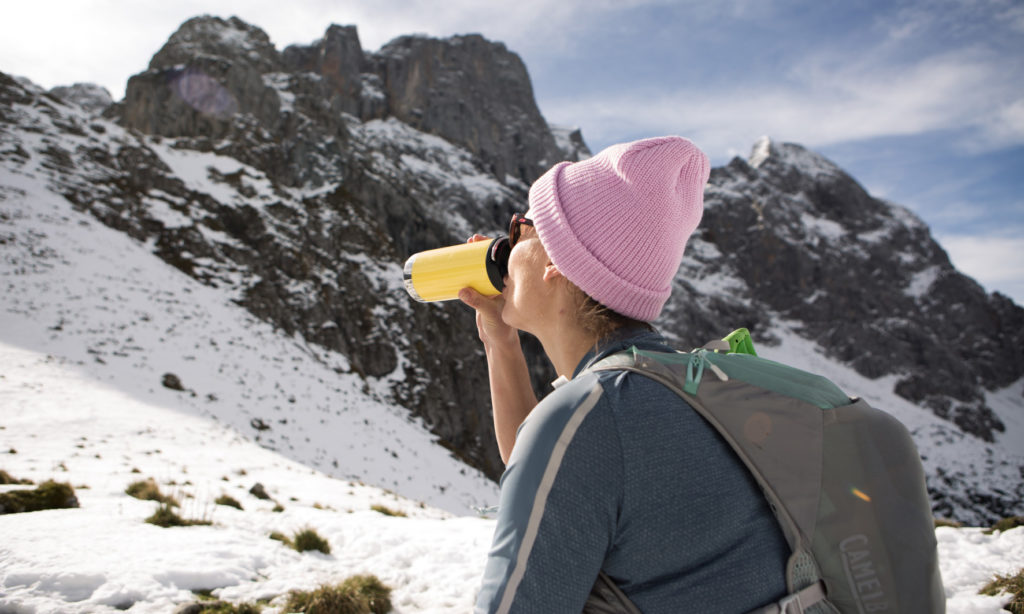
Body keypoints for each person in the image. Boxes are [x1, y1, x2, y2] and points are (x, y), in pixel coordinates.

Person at [459, 136, 791, 613]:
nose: (504, 247)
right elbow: (545, 472)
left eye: (520, 230)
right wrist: (499, 341)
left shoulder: (589, 418)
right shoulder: (674, 384)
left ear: (556, 260)